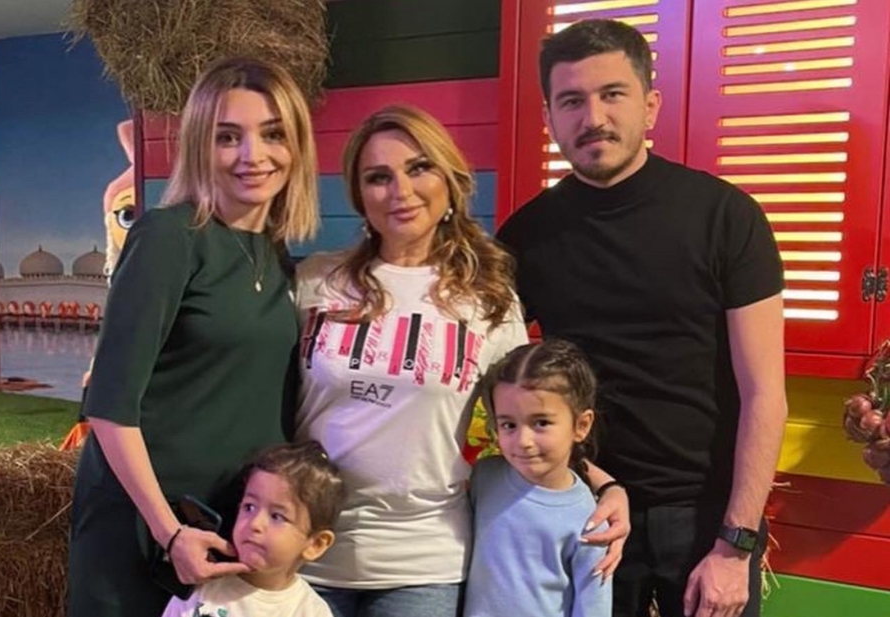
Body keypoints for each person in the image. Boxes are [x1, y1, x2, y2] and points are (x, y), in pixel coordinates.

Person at [496, 19, 788, 617]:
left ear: (650, 105)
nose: (593, 117)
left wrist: (735, 544)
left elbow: (765, 393)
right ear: (549, 117)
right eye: (571, 101)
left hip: (707, 516)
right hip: (584, 506)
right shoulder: (525, 237)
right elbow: (492, 372)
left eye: (613, 94)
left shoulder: (726, 217)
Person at [294, 105, 628, 617]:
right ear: (359, 195)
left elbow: (530, 414)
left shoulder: (488, 300)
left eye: (419, 168)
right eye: (378, 177)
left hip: (424, 562)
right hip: (305, 546)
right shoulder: (316, 281)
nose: (400, 190)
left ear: (450, 181)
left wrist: (604, 485)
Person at [67, 56, 320, 617]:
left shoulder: (275, 256)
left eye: (272, 134)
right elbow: (109, 406)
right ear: (201, 146)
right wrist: (169, 531)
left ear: (297, 145)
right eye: (228, 137)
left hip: (232, 526)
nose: (253, 155)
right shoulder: (168, 237)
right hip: (149, 530)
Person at [465, 340, 611, 617]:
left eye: (541, 422)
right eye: (509, 424)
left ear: (581, 425)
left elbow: (593, 607)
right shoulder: (483, 478)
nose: (524, 441)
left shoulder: (592, 522)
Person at [161, 441, 346, 617]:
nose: (255, 523)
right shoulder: (202, 586)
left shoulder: (311, 611)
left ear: (315, 544)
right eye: (249, 507)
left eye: (277, 516)